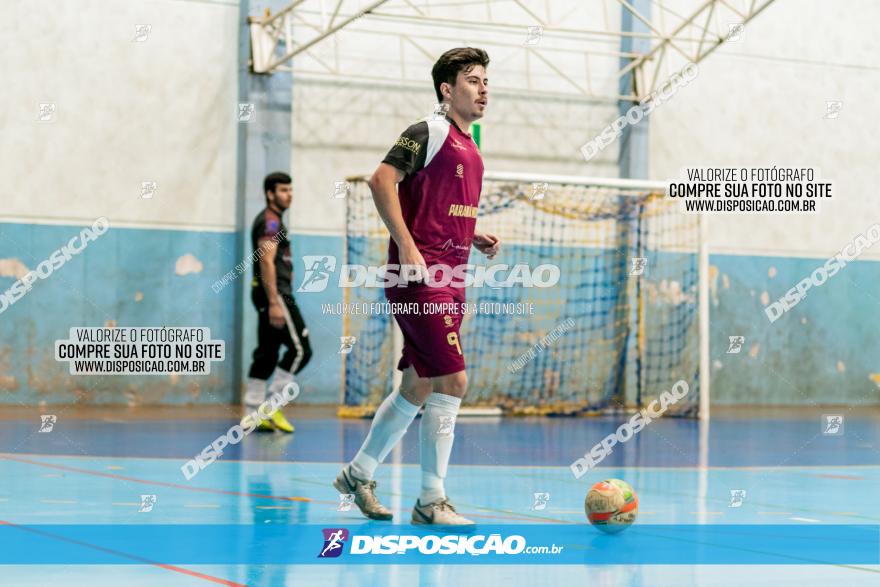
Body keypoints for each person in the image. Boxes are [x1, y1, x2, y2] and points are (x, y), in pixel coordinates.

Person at [333, 48, 499, 526]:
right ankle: (431, 500)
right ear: (447, 90)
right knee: (454, 381)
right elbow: (381, 180)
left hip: (452, 274)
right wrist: (406, 246)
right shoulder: (428, 130)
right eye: (472, 80)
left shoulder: (472, 145)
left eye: (486, 80)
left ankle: (358, 473)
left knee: (420, 383)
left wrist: (474, 233)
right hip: (419, 278)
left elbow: (438, 206)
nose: (483, 88)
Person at [243, 172, 312, 433]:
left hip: (266, 294)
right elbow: (267, 261)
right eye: (283, 190)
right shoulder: (270, 222)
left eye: (290, 190)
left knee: (268, 352)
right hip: (276, 295)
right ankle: (270, 408)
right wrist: (274, 301)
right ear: (270, 194)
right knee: (301, 350)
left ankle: (252, 414)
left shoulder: (273, 221)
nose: (289, 194)